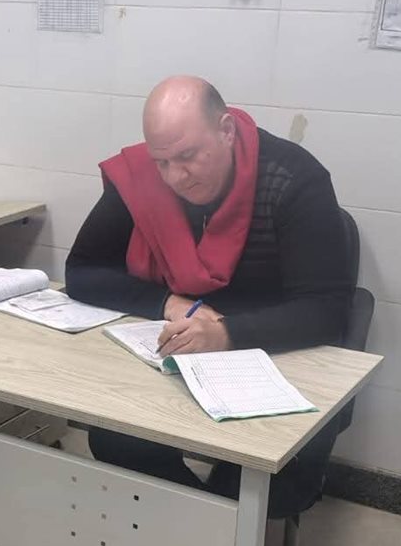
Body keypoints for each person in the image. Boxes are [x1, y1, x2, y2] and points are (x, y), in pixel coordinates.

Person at [65, 75, 354, 516]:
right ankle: (198, 536)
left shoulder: (293, 179)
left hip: (276, 358)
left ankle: (214, 542)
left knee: (262, 482)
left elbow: (327, 310)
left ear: (226, 131)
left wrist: (225, 333)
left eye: (187, 157)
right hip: (180, 357)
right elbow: (82, 272)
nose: (174, 177)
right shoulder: (145, 177)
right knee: (115, 438)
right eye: (162, 161)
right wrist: (168, 302)